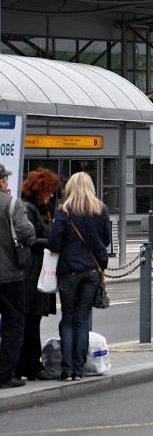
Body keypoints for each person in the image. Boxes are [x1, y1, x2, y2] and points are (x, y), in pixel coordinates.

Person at [46, 172, 110, 381]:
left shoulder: (64, 211)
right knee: (82, 320)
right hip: (92, 271)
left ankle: (67, 369)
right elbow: (106, 241)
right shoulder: (101, 209)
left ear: (70, 188)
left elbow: (54, 244)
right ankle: (80, 369)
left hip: (68, 271)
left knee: (68, 319)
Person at [16, 168, 61, 381]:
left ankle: (29, 364)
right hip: (32, 273)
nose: (51, 195)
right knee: (30, 321)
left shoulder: (40, 209)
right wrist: (53, 244)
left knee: (32, 321)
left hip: (37, 272)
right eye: (49, 191)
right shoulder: (28, 209)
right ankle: (30, 365)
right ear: (40, 190)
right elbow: (31, 239)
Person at [0, 163, 37, 389]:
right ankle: (4, 374)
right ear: (2, 181)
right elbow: (27, 233)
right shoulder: (13, 204)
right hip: (9, 275)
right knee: (14, 322)